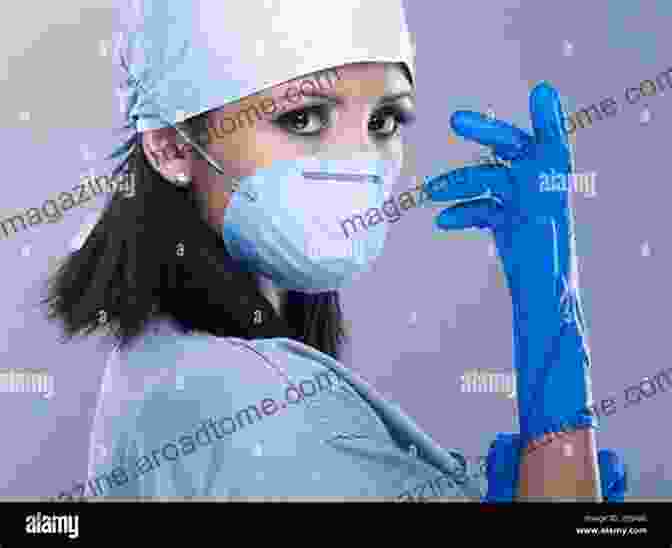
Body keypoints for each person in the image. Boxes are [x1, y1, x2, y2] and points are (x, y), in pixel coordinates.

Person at [42, 0, 626, 501]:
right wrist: (554, 324)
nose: (359, 158)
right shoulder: (237, 402)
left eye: (384, 120)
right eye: (303, 117)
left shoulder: (178, 361)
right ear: (171, 146)